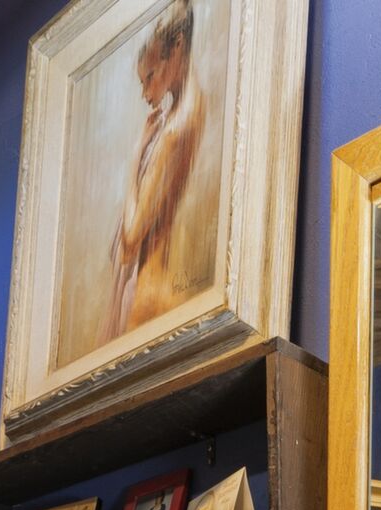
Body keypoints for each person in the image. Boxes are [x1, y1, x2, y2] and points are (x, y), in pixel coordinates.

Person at [106, 0, 209, 338]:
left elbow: (130, 241)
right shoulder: (192, 102)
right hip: (152, 280)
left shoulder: (174, 130)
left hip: (145, 290)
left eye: (150, 76)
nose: (146, 92)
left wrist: (136, 154)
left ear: (177, 48)